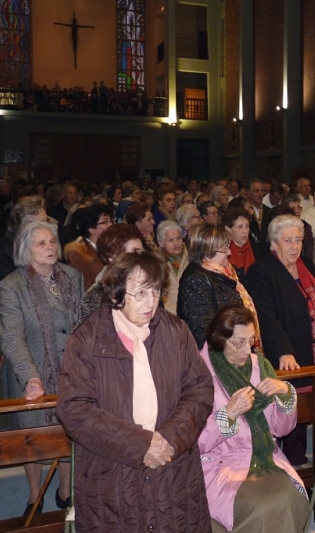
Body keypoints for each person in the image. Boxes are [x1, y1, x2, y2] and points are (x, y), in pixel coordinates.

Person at [57, 252, 214, 532]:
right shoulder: (87, 340)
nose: (151, 302)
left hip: (172, 466)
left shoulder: (175, 331)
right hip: (112, 474)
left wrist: (167, 439)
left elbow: (199, 390)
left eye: (156, 291)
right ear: (117, 293)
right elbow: (75, 410)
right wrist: (142, 444)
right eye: (140, 292)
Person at [199, 305, 309, 532]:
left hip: (265, 458)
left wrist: (285, 396)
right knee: (264, 506)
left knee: (292, 497)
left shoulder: (262, 366)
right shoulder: (198, 373)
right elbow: (192, 442)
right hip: (221, 466)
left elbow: (281, 430)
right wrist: (227, 415)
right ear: (219, 339)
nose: (245, 350)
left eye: (251, 341)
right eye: (238, 342)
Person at [0, 221, 83, 516]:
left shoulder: (72, 276)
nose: (50, 247)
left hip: (70, 373)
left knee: (69, 432)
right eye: (41, 244)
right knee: (31, 438)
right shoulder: (11, 286)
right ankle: (35, 494)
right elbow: (12, 338)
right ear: (25, 250)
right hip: (31, 374)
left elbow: (84, 325)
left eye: (52, 242)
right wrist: (31, 377)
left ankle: (64, 490)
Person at [246, 215, 315, 467]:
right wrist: (283, 352)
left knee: (306, 407)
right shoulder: (261, 271)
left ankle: (298, 461)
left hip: (311, 349)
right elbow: (266, 317)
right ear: (274, 243)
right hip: (285, 354)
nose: (294, 246)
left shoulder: (306, 265)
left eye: (298, 240)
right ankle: (281, 463)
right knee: (285, 409)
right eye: (288, 240)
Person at [177, 224, 260, 350]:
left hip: (238, 350)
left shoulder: (228, 272)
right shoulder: (195, 280)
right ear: (206, 252)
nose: (229, 252)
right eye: (224, 248)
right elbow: (203, 333)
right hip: (219, 357)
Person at [77, 224, 144, 325]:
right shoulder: (94, 299)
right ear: (112, 257)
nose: (140, 259)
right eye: (133, 254)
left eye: (141, 253)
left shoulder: (149, 289)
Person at [64, 204, 113, 290]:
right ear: (91, 229)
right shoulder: (79, 254)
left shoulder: (111, 248)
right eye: (105, 222)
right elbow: (84, 290)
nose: (111, 225)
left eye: (111, 221)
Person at [0, 195, 48, 281]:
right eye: (36, 224)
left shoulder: (48, 244)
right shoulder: (5, 250)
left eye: (45, 222)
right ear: (19, 224)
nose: (44, 228)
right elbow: (9, 286)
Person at [157, 221, 189, 315]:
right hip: (169, 314)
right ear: (161, 243)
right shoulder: (156, 263)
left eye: (179, 238)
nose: (176, 243)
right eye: (171, 240)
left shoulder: (193, 257)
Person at [222, 206, 256, 275]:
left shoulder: (257, 249)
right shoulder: (223, 252)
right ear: (228, 229)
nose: (245, 231)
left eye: (247, 226)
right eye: (240, 227)